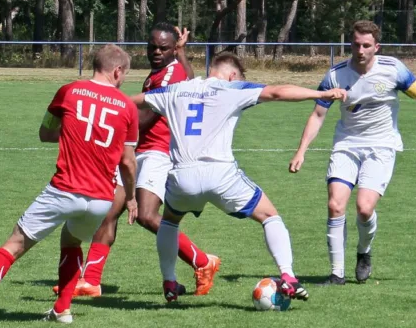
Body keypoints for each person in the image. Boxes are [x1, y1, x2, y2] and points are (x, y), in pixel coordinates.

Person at [0, 45, 139, 325]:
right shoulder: (128, 106)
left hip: (65, 188)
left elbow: (45, 132)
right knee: (72, 241)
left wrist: (73, 135)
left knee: (15, 244)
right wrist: (131, 197)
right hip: (101, 198)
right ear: (117, 71)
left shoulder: (68, 91)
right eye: (124, 74)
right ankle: (62, 310)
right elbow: (128, 163)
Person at [134, 52, 348, 302]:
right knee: (270, 216)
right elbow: (278, 92)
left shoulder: (175, 90)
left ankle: (170, 282)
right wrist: (321, 94)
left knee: (169, 221)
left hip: (183, 176)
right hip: (221, 175)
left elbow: (131, 102)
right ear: (233, 75)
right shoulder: (232, 88)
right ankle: (288, 277)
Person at [289, 20, 416, 286]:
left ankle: (364, 252)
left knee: (364, 209)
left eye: (366, 45)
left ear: (377, 47)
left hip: (381, 147)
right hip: (346, 145)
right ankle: (336, 274)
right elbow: (318, 115)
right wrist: (301, 151)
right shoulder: (335, 75)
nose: (360, 50)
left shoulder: (394, 70)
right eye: (355, 44)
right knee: (335, 205)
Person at [60, 23, 221, 299]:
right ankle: (91, 280)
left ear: (172, 48)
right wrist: (182, 53)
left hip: (159, 151)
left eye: (163, 48)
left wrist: (113, 132)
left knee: (146, 215)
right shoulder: (166, 70)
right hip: (140, 151)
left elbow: (147, 118)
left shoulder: (169, 74)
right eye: (152, 47)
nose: (156, 52)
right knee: (109, 211)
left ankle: (203, 261)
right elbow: (190, 77)